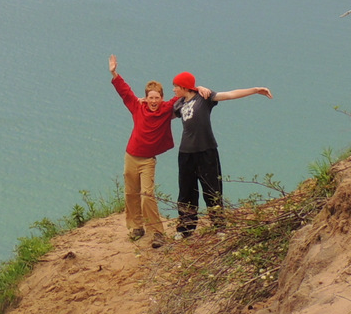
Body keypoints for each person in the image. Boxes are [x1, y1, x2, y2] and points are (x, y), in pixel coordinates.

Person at [171, 71, 272, 239]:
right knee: (186, 192)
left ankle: (219, 227)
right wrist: (142, 104)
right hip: (186, 154)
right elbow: (160, 115)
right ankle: (186, 229)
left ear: (184, 87)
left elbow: (230, 95)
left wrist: (255, 90)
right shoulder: (178, 104)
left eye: (176, 86)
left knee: (212, 189)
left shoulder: (204, 97)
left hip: (206, 151)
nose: (173, 90)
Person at [107, 55, 172, 249]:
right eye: (150, 97)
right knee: (131, 194)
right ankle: (136, 227)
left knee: (147, 196)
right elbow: (125, 92)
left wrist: (196, 89)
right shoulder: (138, 107)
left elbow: (183, 95)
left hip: (147, 161)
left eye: (157, 97)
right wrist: (114, 73)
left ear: (162, 98)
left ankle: (158, 233)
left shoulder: (166, 110)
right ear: (146, 97)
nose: (153, 101)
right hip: (131, 156)